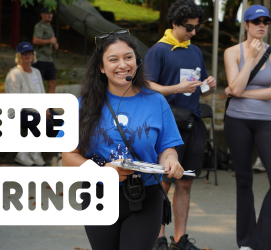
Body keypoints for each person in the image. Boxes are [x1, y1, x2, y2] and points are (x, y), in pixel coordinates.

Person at [62, 29, 185, 250]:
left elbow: (167, 148)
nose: (122, 64)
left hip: (146, 196)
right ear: (101, 67)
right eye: (113, 59)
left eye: (128, 57)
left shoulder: (156, 101)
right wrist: (102, 172)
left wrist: (171, 160)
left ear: (136, 61)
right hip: (98, 196)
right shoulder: (83, 105)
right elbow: (68, 157)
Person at [145, 1, 216, 249]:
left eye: (196, 28)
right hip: (167, 123)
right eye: (189, 27)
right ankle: (157, 239)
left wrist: (208, 85)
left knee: (185, 182)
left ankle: (180, 240)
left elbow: (199, 90)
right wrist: (176, 88)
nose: (193, 32)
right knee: (163, 182)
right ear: (174, 23)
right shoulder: (159, 50)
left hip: (192, 121)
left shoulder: (194, 51)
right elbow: (147, 86)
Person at [223, 5, 271, 250]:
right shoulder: (232, 52)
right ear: (246, 25)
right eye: (256, 21)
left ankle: (265, 241)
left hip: (266, 121)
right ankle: (246, 242)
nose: (262, 25)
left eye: (266, 21)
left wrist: (240, 91)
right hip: (237, 120)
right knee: (244, 180)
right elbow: (235, 89)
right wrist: (249, 59)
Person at [5, 41, 61, 166]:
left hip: (36, 109)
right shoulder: (14, 74)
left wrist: (45, 107)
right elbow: (16, 101)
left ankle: (50, 154)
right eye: (24, 53)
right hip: (18, 111)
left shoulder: (36, 72)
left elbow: (42, 93)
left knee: (59, 119)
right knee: (42, 121)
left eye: (30, 53)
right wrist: (39, 110)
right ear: (19, 56)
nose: (28, 56)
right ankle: (23, 153)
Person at [32, 6, 58, 93]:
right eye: (47, 13)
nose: (50, 15)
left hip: (49, 59)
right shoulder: (39, 26)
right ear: (42, 14)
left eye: (51, 13)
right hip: (40, 59)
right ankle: (37, 105)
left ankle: (49, 106)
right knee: (38, 83)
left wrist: (54, 44)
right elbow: (35, 40)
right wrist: (49, 41)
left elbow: (52, 42)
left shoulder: (50, 27)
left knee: (52, 82)